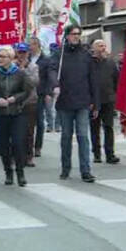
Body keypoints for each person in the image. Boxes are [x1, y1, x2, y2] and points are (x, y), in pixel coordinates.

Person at [51, 25, 99, 183]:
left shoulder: (86, 55)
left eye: (79, 34)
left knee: (83, 137)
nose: (76, 37)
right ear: (67, 36)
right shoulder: (59, 54)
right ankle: (65, 168)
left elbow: (93, 80)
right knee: (66, 137)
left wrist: (95, 103)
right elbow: (52, 71)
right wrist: (55, 85)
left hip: (83, 102)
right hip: (65, 102)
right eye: (73, 34)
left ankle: (86, 170)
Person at [0, 46, 32, 187]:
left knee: (18, 143)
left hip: (17, 113)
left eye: (2, 56)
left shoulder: (20, 74)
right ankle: (8, 172)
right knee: (4, 145)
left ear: (10, 58)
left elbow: (26, 91)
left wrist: (14, 99)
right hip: (1, 114)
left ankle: (20, 172)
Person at [89, 40, 120, 164]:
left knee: (108, 127)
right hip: (93, 101)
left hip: (108, 100)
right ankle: (96, 154)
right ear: (94, 48)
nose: (103, 48)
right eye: (100, 46)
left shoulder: (111, 63)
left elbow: (117, 79)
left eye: (104, 46)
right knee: (94, 128)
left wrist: (115, 96)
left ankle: (110, 154)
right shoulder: (89, 63)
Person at [29, 37, 55, 157]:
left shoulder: (46, 59)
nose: (31, 47)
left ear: (38, 45)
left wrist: (49, 93)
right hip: (27, 94)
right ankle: (28, 145)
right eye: (29, 44)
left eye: (33, 44)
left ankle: (38, 146)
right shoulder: (26, 58)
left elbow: (50, 77)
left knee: (39, 121)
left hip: (40, 93)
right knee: (28, 122)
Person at [15, 42, 39, 167]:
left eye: (24, 52)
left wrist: (24, 70)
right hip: (15, 102)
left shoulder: (33, 67)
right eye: (20, 52)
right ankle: (17, 155)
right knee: (15, 131)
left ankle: (29, 156)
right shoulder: (12, 66)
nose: (22, 55)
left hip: (30, 102)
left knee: (29, 131)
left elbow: (34, 82)